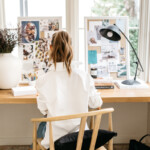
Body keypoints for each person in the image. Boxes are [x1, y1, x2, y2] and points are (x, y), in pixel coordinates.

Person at [36, 31, 103, 149]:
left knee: (42, 127)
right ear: (70, 47)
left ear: (51, 48)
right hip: (81, 140)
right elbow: (96, 103)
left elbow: (43, 110)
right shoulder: (83, 76)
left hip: (56, 142)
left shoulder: (43, 79)